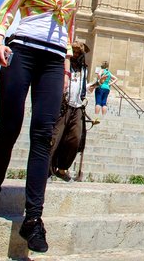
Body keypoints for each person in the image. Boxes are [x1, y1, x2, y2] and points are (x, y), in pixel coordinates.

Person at [0, 0, 85, 254]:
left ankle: (33, 219)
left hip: (53, 61)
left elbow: (68, 32)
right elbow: (5, 11)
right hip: (21, 51)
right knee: (8, 128)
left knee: (43, 137)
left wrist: (66, 68)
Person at [49, 40, 89, 182]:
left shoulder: (84, 69)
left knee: (75, 139)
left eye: (79, 52)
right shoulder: (62, 66)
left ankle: (62, 169)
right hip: (63, 105)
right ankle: (47, 170)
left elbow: (84, 87)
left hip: (77, 106)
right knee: (55, 137)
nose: (77, 54)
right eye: (75, 51)